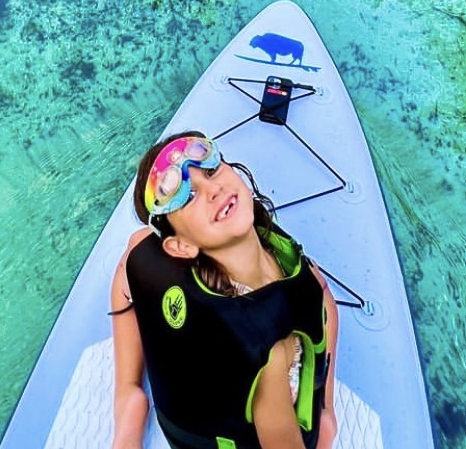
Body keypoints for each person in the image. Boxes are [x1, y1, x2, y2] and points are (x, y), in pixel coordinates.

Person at [110, 131, 338, 449]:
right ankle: (129, 398)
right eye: (188, 197)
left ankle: (128, 396)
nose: (212, 190)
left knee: (137, 247)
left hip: (196, 395)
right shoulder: (270, 352)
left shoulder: (297, 272)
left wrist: (326, 408)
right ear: (181, 246)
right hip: (230, 415)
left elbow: (323, 297)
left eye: (212, 170)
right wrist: (324, 425)